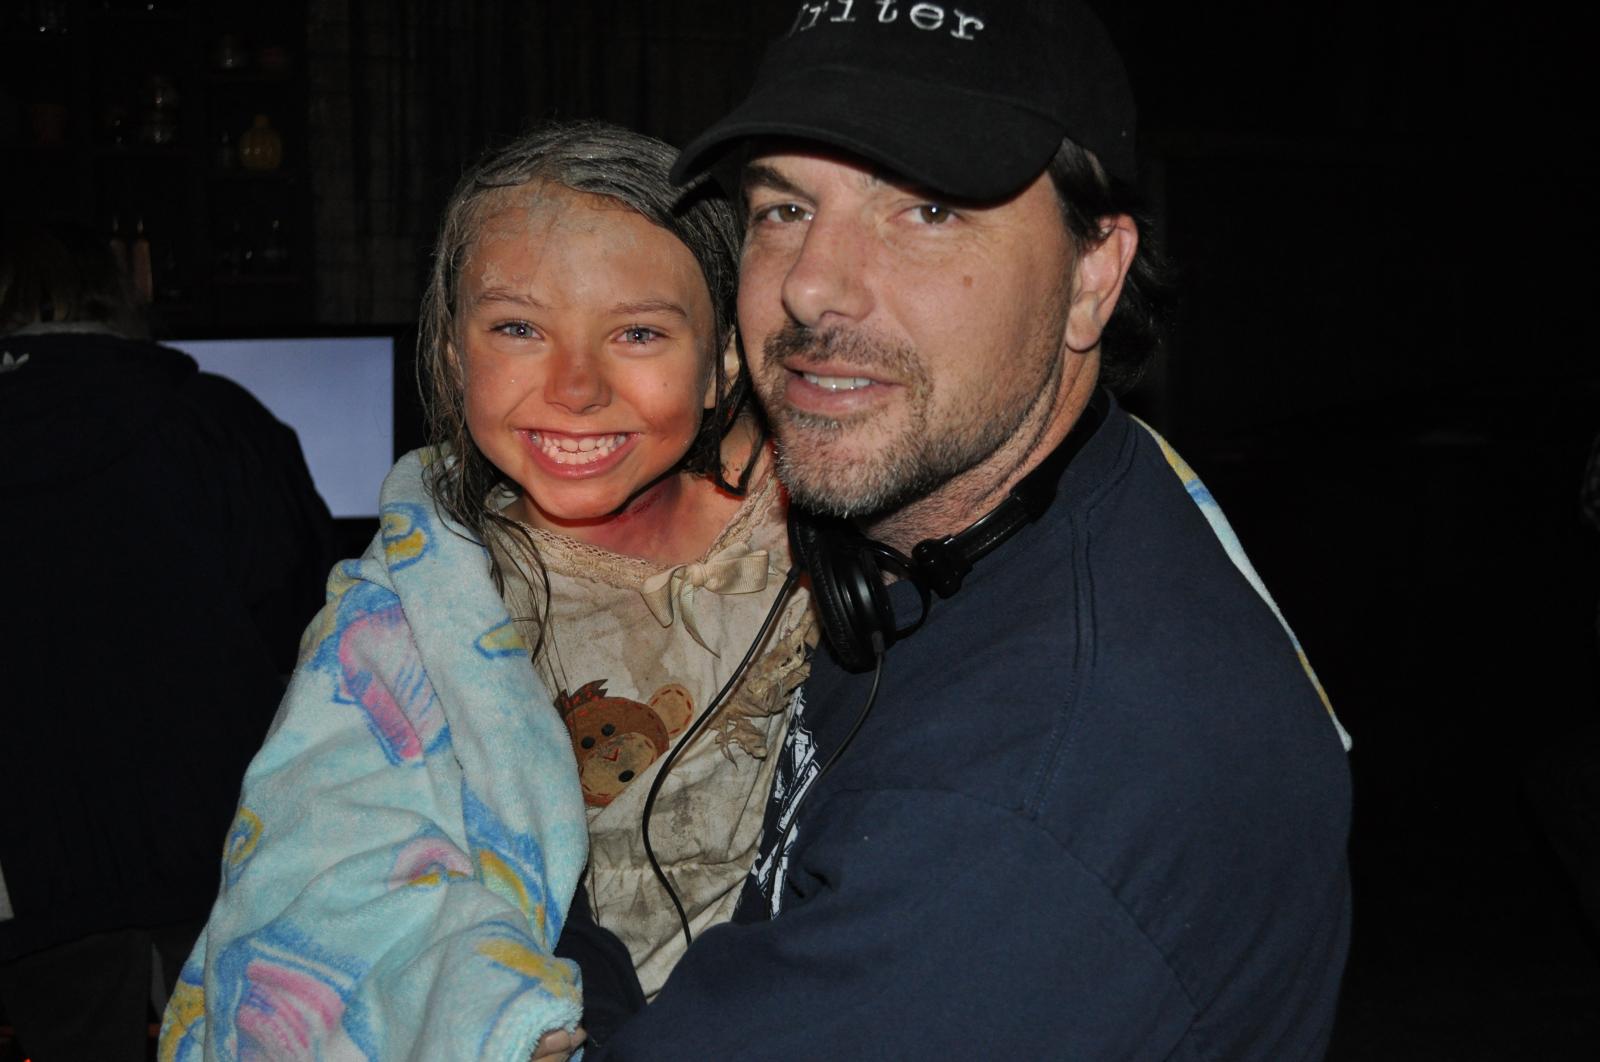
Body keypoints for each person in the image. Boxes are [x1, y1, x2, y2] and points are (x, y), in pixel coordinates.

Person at [578, 2, 1355, 1057]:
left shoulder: (1022, 809)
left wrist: (512, 883)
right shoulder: (1047, 496)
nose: (810, 284)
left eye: (928, 211)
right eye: (784, 207)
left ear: (1093, 276)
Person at [158, 120, 813, 1059]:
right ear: (453, 355)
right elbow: (324, 875)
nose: (576, 387)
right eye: (518, 329)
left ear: (723, 365)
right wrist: (478, 1007)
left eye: (638, 333)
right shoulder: (412, 611)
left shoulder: (823, 538)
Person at [0, 216, 336, 1062]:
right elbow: (313, 630)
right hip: (218, 840)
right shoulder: (217, 422)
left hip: (33, 866)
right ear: (125, 295)